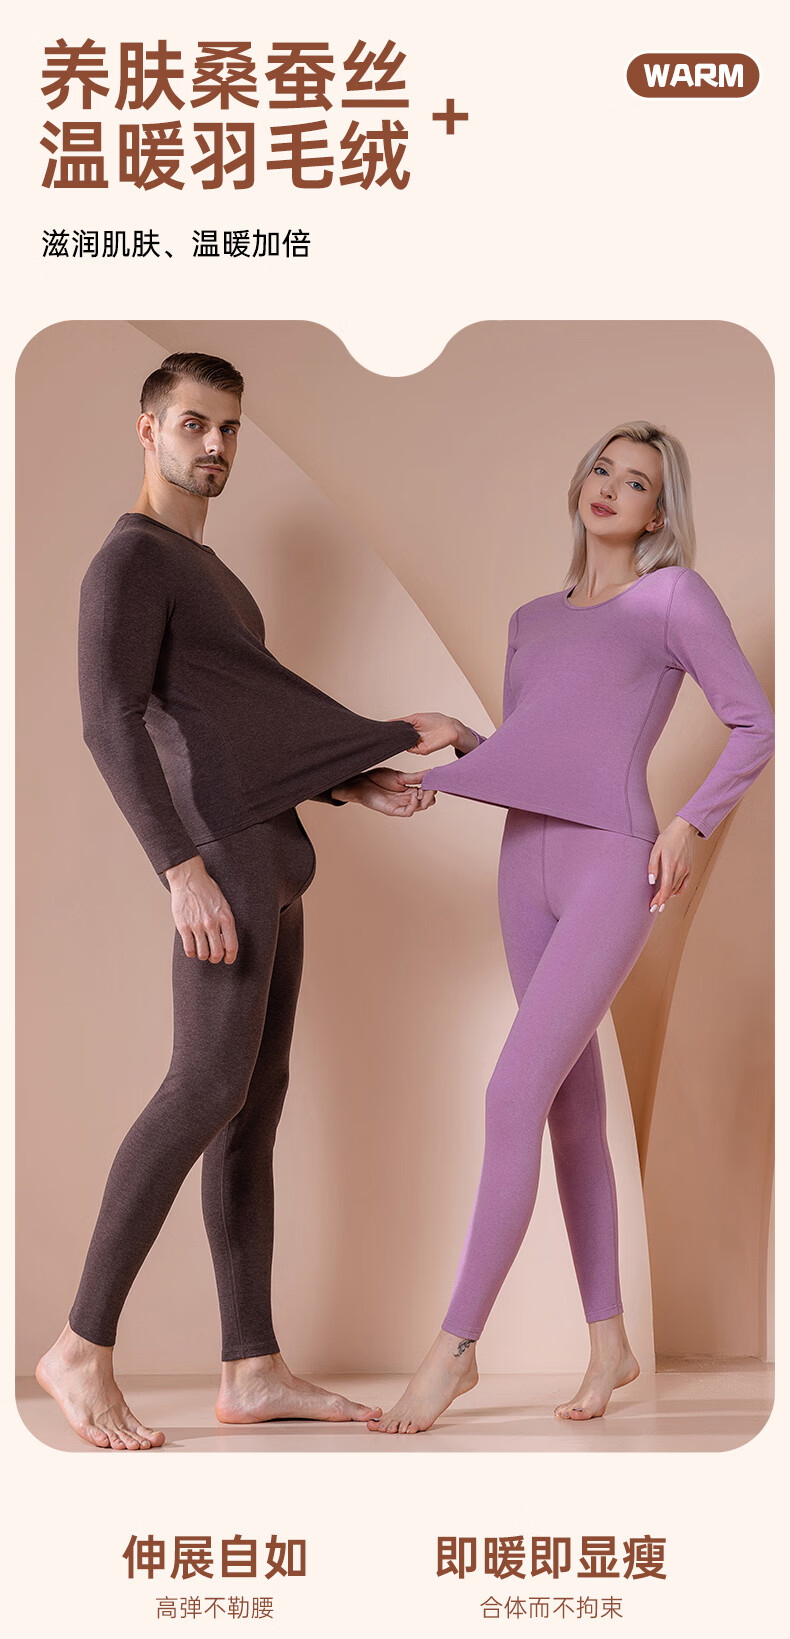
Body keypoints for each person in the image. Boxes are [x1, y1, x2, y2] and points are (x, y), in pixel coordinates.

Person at [36, 351, 433, 1451]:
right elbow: (108, 720)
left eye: (229, 429)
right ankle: (79, 1345)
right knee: (203, 1085)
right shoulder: (130, 560)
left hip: (272, 859)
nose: (214, 445)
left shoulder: (216, 578)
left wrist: (355, 778)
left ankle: (251, 1366)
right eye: (193, 424)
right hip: (219, 861)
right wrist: (180, 870)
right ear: (148, 429)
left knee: (253, 1105)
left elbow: (241, 725)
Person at [368, 420, 775, 1435]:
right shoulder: (529, 620)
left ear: (659, 512)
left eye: (635, 482)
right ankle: (609, 1343)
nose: (610, 488)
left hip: (609, 867)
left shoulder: (671, 598)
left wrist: (691, 822)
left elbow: (755, 721)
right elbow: (544, 751)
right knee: (567, 1108)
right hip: (523, 864)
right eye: (602, 468)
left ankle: (454, 1350)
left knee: (511, 1090)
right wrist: (468, 743)